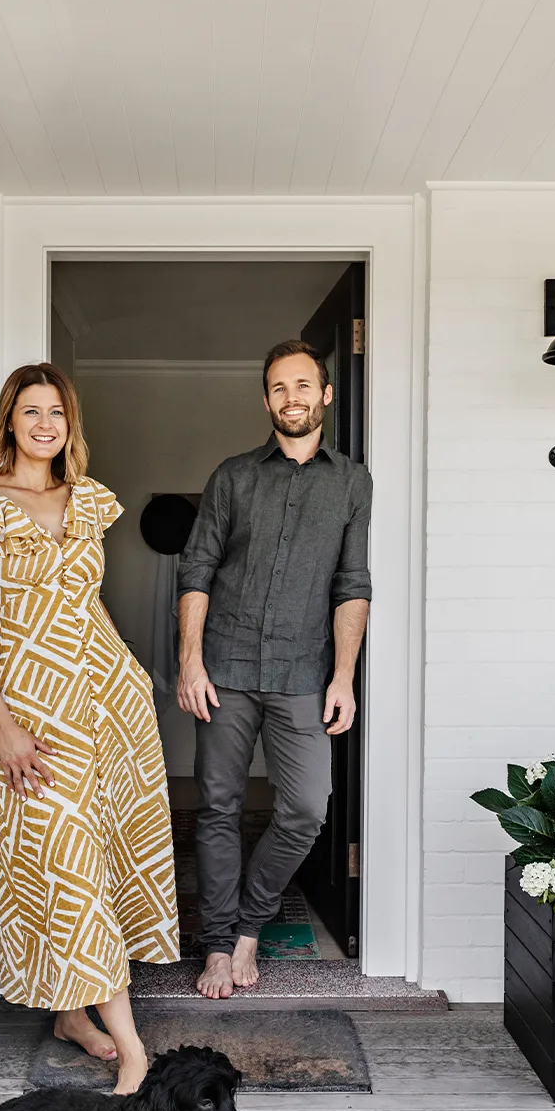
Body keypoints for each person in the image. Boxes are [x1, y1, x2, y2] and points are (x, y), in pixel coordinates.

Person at [0, 363, 179, 1092]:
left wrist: (131, 671)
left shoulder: (90, 501)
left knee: (103, 854)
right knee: (68, 863)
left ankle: (75, 1017)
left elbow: (88, 602)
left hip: (107, 699)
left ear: (69, 424)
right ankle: (133, 1047)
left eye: (56, 412)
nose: (45, 423)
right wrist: (6, 730)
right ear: (9, 420)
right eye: (30, 410)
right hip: (32, 707)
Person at [176, 339, 372, 999]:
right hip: (225, 667)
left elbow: (352, 582)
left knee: (306, 812)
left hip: (302, 672)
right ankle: (218, 945)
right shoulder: (232, 476)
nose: (292, 397)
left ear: (326, 394)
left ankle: (250, 928)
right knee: (220, 809)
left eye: (302, 385)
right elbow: (196, 567)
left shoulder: (352, 482)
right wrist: (190, 660)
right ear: (267, 400)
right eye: (279, 388)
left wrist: (343, 677)